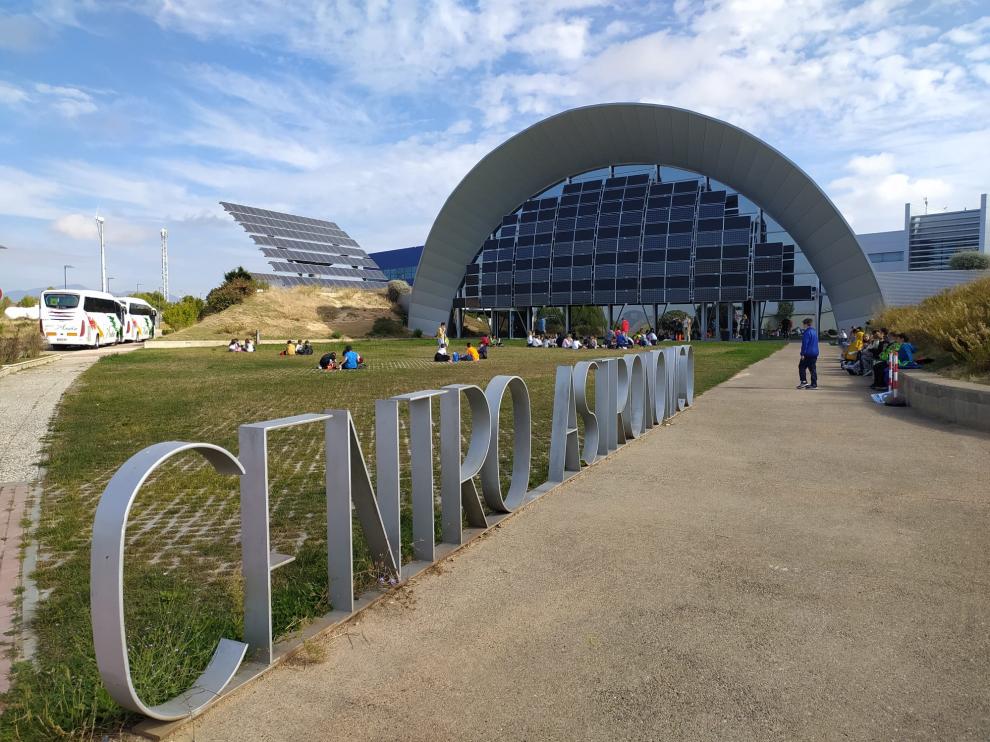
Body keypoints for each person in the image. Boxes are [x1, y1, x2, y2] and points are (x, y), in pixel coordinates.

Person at [797, 317, 819, 389]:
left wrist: (802, 354)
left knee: (801, 367)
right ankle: (814, 384)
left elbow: (805, 344)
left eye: (803, 324)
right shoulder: (814, 331)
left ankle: (803, 381)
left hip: (808, 353)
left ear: (806, 324)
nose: (803, 326)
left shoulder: (806, 332)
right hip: (814, 353)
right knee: (812, 369)